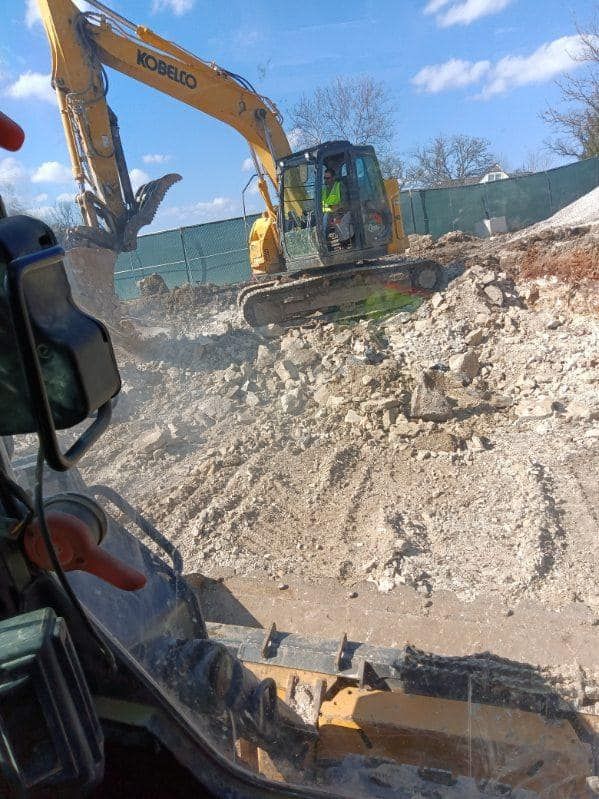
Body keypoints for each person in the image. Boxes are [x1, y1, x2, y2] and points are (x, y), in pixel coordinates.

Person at [322, 168, 352, 246]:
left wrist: (336, 209)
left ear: (333, 178)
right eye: (324, 178)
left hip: (341, 212)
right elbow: (322, 205)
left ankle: (344, 242)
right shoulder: (324, 190)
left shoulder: (339, 186)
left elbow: (345, 203)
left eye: (328, 178)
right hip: (329, 213)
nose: (326, 180)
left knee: (334, 220)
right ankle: (324, 243)